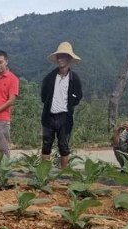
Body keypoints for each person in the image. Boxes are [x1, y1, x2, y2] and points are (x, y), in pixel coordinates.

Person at [41, 42, 83, 170]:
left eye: (63, 56)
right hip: (49, 116)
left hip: (65, 117)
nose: (59, 59)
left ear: (69, 59)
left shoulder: (74, 79)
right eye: (58, 56)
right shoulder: (49, 78)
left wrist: (70, 102)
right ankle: (44, 172)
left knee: (63, 146)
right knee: (46, 144)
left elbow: (78, 96)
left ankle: (64, 173)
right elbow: (43, 96)